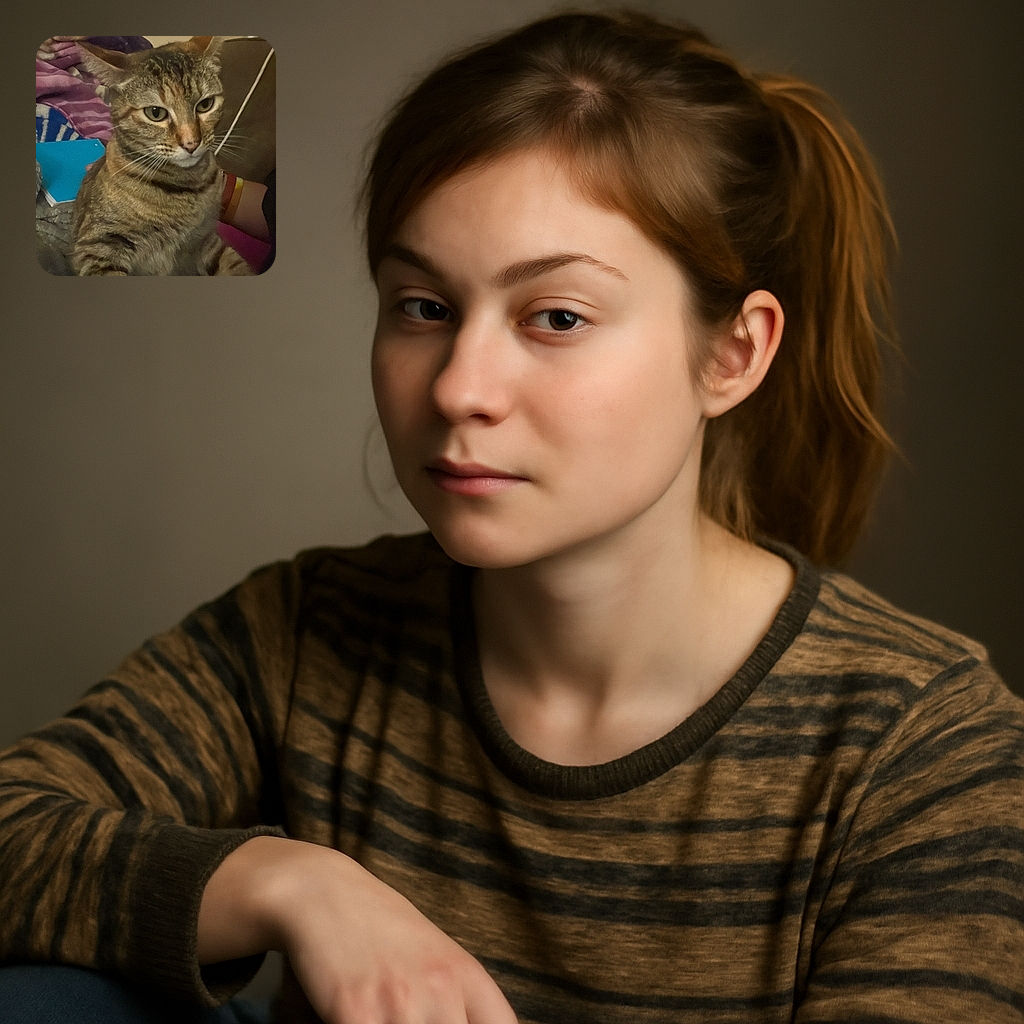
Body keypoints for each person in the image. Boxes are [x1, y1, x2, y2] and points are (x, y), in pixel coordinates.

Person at [2, 9, 1021, 1023]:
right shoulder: (308, 631)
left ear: (731, 355)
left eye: (556, 317)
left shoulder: (929, 749)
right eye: (423, 307)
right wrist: (297, 885)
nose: (459, 388)